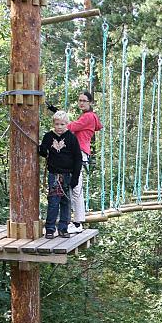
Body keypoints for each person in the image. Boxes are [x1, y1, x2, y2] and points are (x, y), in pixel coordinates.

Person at [38, 111, 81, 239]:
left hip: (67, 174)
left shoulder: (71, 138)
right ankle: (50, 229)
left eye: (62, 124)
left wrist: (75, 177)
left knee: (65, 202)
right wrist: (43, 149)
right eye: (57, 124)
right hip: (54, 174)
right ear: (53, 124)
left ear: (67, 124)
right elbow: (43, 151)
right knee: (53, 201)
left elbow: (77, 158)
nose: (59, 127)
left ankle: (63, 228)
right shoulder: (48, 136)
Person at [65, 91, 103, 233]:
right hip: (79, 153)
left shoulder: (88, 117)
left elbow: (70, 127)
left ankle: (78, 223)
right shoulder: (89, 117)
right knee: (73, 186)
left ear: (90, 102)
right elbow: (98, 126)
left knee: (76, 187)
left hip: (79, 153)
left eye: (84, 101)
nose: (81, 103)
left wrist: (59, 118)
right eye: (79, 100)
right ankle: (75, 221)